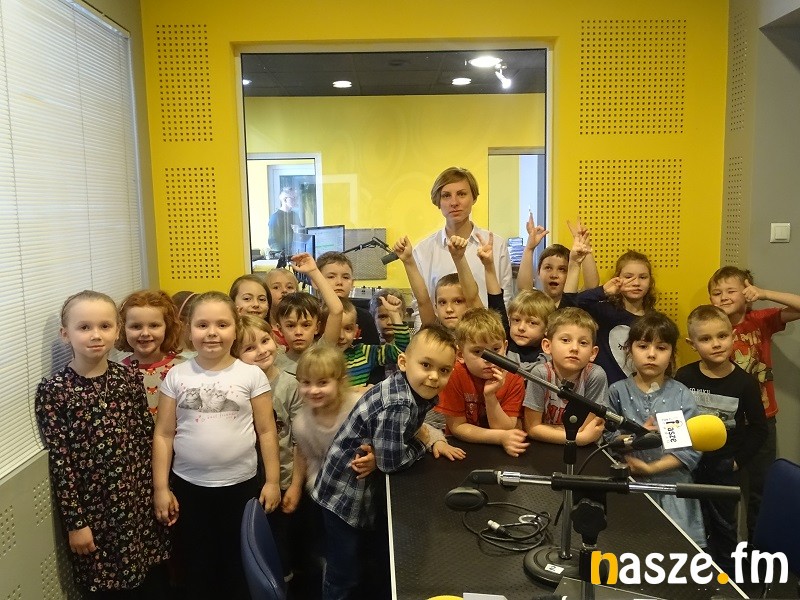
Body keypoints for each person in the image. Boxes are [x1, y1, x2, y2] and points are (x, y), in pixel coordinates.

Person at [312, 324, 464, 599]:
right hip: (343, 497)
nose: (434, 377)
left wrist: (429, 438)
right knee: (343, 572)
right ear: (403, 362)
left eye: (444, 370)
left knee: (362, 563)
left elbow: (402, 438)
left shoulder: (411, 389)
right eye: (426, 365)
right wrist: (422, 443)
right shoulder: (398, 403)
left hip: (354, 488)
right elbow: (392, 463)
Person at [36, 291, 170, 598]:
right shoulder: (55, 390)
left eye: (105, 326)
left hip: (139, 504)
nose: (96, 335)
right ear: (65, 334)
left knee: (151, 583)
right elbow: (61, 462)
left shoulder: (128, 378)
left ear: (117, 331)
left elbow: (145, 439)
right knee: (107, 588)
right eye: (84, 327)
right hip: (95, 513)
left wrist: (160, 490)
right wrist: (76, 524)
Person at [151, 291, 282, 600]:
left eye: (222, 324)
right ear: (188, 330)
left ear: (236, 328)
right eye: (202, 325)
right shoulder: (177, 376)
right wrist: (161, 488)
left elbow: (266, 431)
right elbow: (164, 434)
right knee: (198, 563)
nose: (212, 333)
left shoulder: (251, 375)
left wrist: (273, 481)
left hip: (241, 486)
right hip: (189, 487)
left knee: (237, 563)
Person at [707, 266, 800, 539]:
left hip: (762, 420)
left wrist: (764, 293)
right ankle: (725, 547)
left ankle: (756, 550)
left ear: (747, 293)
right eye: (717, 293)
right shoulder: (711, 328)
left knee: (761, 490)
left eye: (731, 291)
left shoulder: (760, 320)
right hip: (725, 422)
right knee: (724, 489)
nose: (724, 297)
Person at [674, 305, 767, 573]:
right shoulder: (684, 376)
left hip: (725, 469)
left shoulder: (745, 383)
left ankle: (728, 578)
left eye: (722, 336)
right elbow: (676, 419)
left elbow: (759, 428)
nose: (716, 344)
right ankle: (695, 576)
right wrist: (677, 455)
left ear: (732, 335)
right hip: (689, 466)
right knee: (692, 523)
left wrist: (737, 462)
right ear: (692, 344)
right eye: (706, 339)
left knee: (725, 527)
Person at [605, 311, 706, 547]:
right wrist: (635, 436)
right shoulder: (617, 392)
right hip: (629, 488)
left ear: (672, 354)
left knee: (676, 551)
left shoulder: (681, 394)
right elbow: (607, 439)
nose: (651, 354)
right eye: (643, 346)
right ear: (629, 350)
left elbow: (689, 448)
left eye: (661, 348)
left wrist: (651, 468)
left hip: (673, 490)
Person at [233, 315, 303, 583]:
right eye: (249, 348)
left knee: (280, 541)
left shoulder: (290, 385)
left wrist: (295, 486)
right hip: (247, 479)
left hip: (282, 478)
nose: (261, 350)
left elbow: (300, 441)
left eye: (265, 341)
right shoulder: (236, 386)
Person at [413, 167, 513, 317]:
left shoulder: (496, 245)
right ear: (438, 201)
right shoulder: (423, 251)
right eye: (446, 196)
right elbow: (420, 308)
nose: (454, 202)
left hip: (485, 330)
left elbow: (505, 301)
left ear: (473, 198)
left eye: (461, 194)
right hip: (440, 331)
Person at [434, 307, 529, 457]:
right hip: (462, 447)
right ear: (460, 354)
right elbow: (457, 427)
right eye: (478, 352)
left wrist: (490, 397)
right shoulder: (454, 374)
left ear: (505, 346)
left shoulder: (514, 378)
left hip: (500, 450)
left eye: (496, 349)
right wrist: (499, 438)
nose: (488, 359)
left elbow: (506, 428)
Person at [523, 307, 607, 446]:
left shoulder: (595, 375)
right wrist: (578, 439)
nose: (574, 348)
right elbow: (532, 428)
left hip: (585, 450)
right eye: (566, 340)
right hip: (546, 446)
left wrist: (578, 436)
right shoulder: (540, 374)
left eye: (583, 343)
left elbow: (587, 429)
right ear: (547, 346)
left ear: (593, 353)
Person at [576, 249, 657, 384]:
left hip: (639, 390)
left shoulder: (655, 321)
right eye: (628, 277)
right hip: (602, 389)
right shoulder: (604, 311)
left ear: (650, 281)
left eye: (643, 277)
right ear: (617, 278)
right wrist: (604, 291)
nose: (636, 283)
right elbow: (575, 303)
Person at [475, 230, 555, 363]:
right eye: (516, 320)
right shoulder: (506, 340)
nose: (521, 328)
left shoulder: (552, 351)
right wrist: (488, 266)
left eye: (532, 323)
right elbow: (495, 299)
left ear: (547, 328)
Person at [116, 290, 186, 419]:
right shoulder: (117, 373)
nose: (145, 333)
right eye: (136, 326)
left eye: (154, 325)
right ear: (122, 329)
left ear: (167, 327)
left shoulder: (184, 368)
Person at [273, 253, 344, 377]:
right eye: (290, 326)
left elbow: (337, 310)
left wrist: (314, 271)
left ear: (317, 327)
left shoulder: (323, 351)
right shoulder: (274, 359)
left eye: (306, 325)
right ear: (280, 329)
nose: (298, 332)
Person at [393, 234, 480, 329]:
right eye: (442, 302)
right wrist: (408, 261)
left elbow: (473, 298)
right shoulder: (435, 330)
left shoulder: (479, 328)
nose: (449, 309)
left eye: (458, 301)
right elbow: (423, 301)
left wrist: (459, 258)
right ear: (436, 307)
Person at [516, 215, 599, 308]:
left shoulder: (576, 300)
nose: (554, 275)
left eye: (562, 269)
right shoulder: (535, 303)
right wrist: (529, 248)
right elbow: (524, 290)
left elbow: (592, 287)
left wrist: (585, 247)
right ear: (538, 272)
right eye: (548, 268)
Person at [333, 296, 410, 389]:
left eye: (348, 329)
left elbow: (400, 350)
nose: (341, 336)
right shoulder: (318, 357)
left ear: (356, 331)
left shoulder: (364, 353)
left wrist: (394, 314)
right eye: (335, 328)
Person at [315, 251, 381, 345]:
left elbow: (375, 351)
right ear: (315, 282)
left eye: (345, 277)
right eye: (331, 277)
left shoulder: (364, 317)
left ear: (352, 283)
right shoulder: (311, 315)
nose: (339, 282)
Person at [265, 267, 299, 345]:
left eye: (289, 287)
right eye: (276, 287)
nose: (284, 290)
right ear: (265, 293)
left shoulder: (303, 328)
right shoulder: (262, 329)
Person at [268, 186, 302, 255]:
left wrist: (298, 230)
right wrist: (283, 255)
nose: (295, 200)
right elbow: (273, 242)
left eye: (296, 198)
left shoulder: (295, 215)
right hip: (284, 256)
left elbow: (302, 236)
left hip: (296, 252)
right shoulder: (275, 217)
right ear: (285, 200)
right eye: (293, 198)